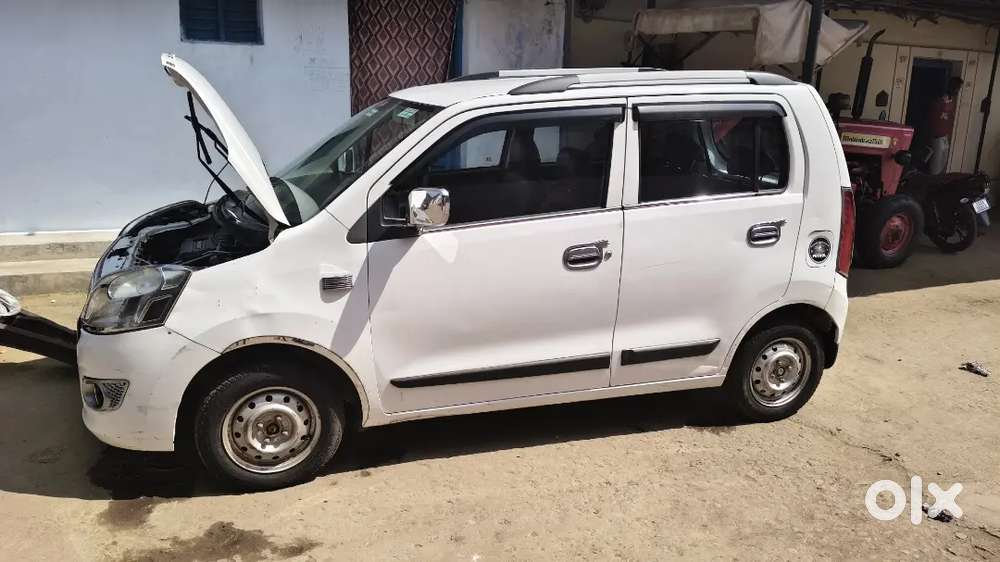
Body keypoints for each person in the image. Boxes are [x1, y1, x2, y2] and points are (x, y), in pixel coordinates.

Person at [927, 76, 963, 174]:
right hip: (937, 136)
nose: (957, 91)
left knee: (943, 164)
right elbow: (941, 109)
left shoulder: (952, 100)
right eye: (957, 88)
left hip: (944, 137)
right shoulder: (941, 97)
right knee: (935, 166)